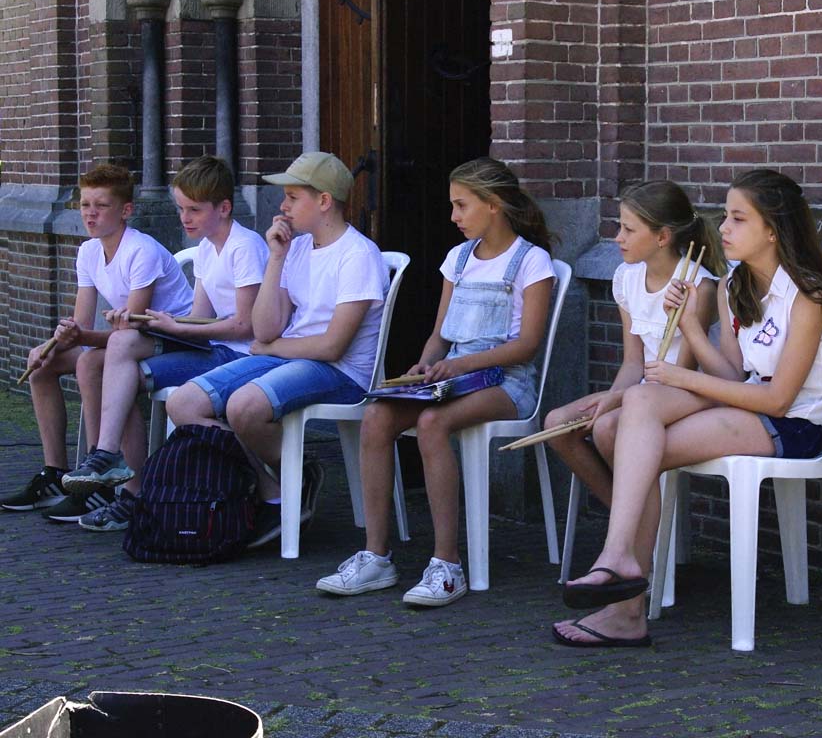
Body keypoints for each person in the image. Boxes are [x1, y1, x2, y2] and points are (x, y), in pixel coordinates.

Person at [553, 169, 822, 648]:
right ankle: (621, 575)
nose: (723, 228)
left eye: (738, 218)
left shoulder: (808, 296)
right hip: (748, 406)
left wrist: (683, 377)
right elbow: (732, 375)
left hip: (794, 425)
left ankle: (623, 586)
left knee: (632, 437)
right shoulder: (736, 285)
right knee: (621, 420)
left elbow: (778, 399)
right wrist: (691, 325)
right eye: (726, 217)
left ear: (772, 230)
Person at [316, 157, 556, 607]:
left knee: (432, 423)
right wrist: (422, 368)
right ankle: (376, 556)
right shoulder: (457, 259)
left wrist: (460, 367)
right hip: (452, 379)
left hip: (508, 383)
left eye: (461, 205)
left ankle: (447, 564)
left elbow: (526, 347)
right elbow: (440, 336)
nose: (453, 216)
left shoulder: (531, 261)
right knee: (378, 415)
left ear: (494, 204)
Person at [165, 151, 388, 547]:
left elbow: (333, 346)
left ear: (323, 201)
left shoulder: (358, 254)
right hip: (288, 357)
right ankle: (274, 485)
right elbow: (265, 327)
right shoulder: (297, 249)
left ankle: (288, 480)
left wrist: (276, 346)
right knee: (183, 404)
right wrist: (277, 258)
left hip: (342, 373)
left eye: (292, 197)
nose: (283, 206)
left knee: (244, 407)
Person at [71, 156, 269, 532]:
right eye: (180, 209)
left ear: (224, 208)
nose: (184, 218)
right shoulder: (208, 248)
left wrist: (172, 327)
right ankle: (126, 481)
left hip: (239, 356)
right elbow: (200, 317)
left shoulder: (245, 246)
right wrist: (163, 324)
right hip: (213, 349)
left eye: (194, 209)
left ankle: (112, 462)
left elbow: (246, 327)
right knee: (112, 359)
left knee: (121, 351)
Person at [542, 181, 725, 584]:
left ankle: (633, 539)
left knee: (608, 426)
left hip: (685, 391)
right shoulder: (626, 278)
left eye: (627, 229)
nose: (617, 237)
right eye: (618, 227)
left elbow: (682, 374)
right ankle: (634, 524)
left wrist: (619, 402)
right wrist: (613, 396)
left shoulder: (698, 284)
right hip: (643, 389)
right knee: (557, 423)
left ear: (662, 237)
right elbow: (632, 363)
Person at [1, 164, 194, 522]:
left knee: (92, 362)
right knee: (40, 363)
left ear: (125, 210)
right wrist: (60, 339)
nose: (90, 213)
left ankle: (102, 482)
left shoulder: (141, 250)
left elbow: (131, 329)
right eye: (85, 205)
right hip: (127, 341)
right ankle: (57, 475)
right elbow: (84, 326)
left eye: (101, 205)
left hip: (169, 340)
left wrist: (78, 337)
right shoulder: (88, 252)